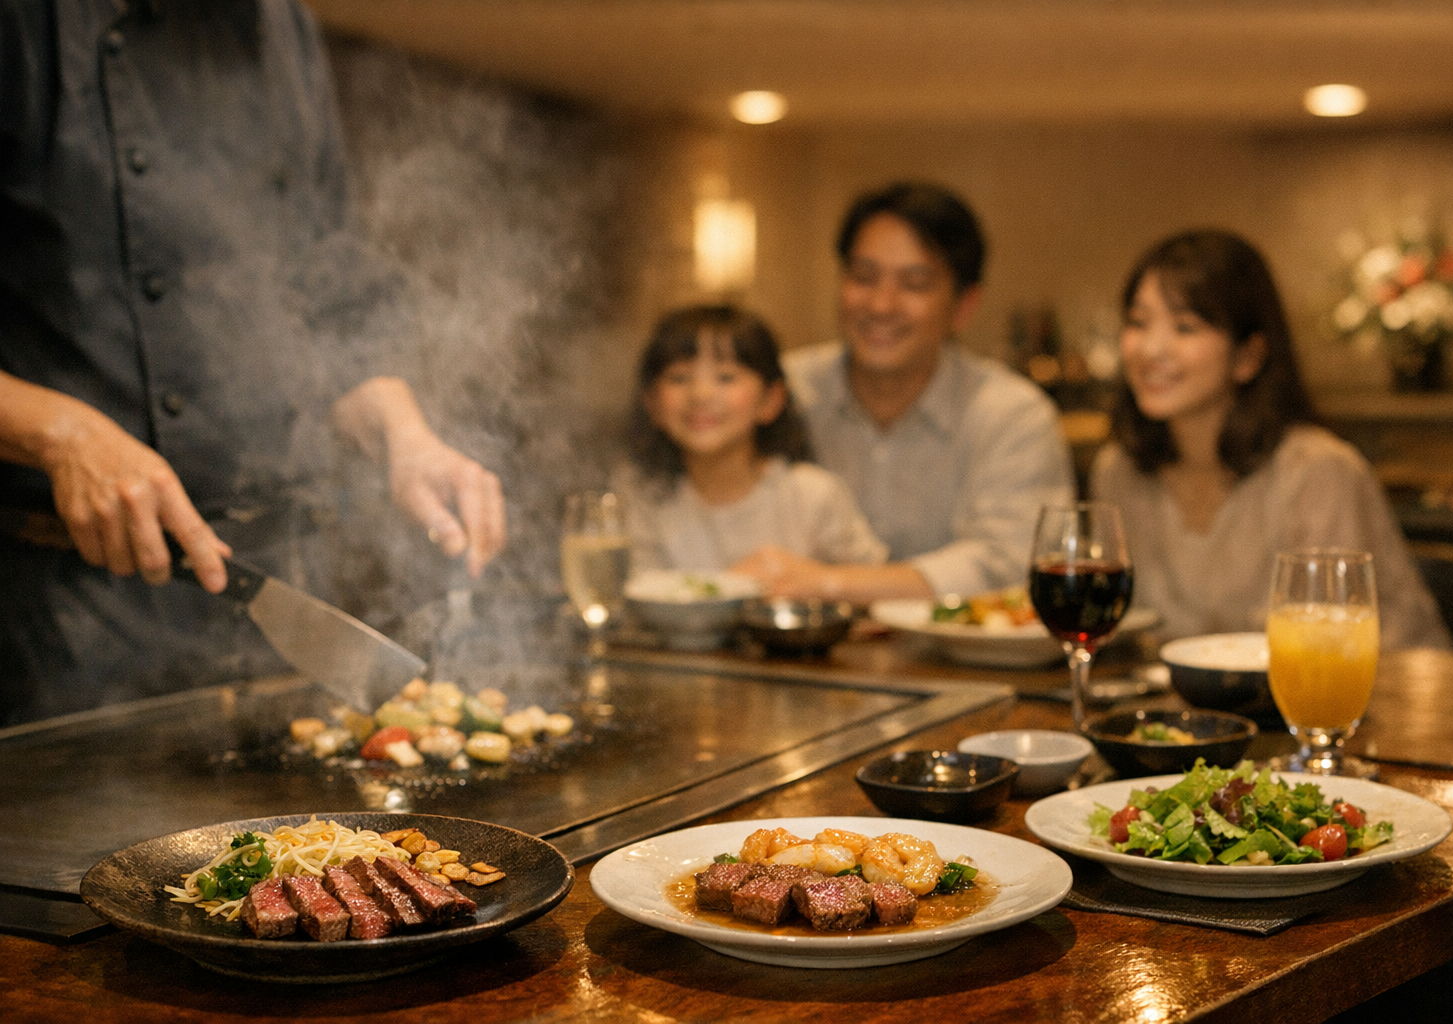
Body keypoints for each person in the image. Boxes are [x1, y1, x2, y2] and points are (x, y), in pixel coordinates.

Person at [0, 0, 505, 724]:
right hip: (59, 614)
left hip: (267, 588)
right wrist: (57, 432)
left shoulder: (281, 25)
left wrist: (405, 434)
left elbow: (326, 283)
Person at [1091, 229, 1451, 650]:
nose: (1150, 349)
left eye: (1185, 326)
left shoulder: (1318, 473)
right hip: (1183, 714)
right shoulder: (1119, 473)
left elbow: (1343, 648)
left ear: (1248, 356)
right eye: (1138, 322)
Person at [744, 181, 1073, 603]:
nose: (882, 305)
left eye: (914, 283)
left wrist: (831, 584)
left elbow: (1013, 562)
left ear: (965, 305)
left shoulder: (1011, 414)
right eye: (864, 277)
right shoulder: (780, 394)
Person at [614, 305, 888, 573]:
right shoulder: (641, 495)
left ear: (771, 400)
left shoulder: (811, 495)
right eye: (679, 377)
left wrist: (813, 580)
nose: (700, 394)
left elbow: (875, 584)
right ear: (652, 403)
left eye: (725, 377)